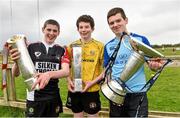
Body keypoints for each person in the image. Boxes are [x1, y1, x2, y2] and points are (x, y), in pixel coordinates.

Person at [103, 7, 164, 117]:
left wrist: (155, 66)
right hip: (117, 94)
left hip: (137, 94)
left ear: (126, 20)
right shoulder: (108, 46)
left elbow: (154, 64)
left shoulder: (141, 40)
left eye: (118, 20)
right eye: (111, 23)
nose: (115, 25)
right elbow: (107, 70)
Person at [9, 19, 70, 117]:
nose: (51, 33)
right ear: (43, 30)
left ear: (58, 32)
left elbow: (66, 71)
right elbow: (15, 74)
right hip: (34, 96)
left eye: (55, 31)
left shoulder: (62, 50)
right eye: (48, 30)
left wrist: (48, 74)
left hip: (53, 97)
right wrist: (16, 62)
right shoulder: (31, 47)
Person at [66, 15, 104, 117]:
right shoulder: (72, 46)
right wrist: (69, 80)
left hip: (92, 89)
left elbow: (106, 69)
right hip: (75, 88)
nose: (84, 30)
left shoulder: (100, 46)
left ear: (92, 28)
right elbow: (67, 67)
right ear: (78, 29)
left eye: (87, 27)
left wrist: (93, 82)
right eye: (81, 27)